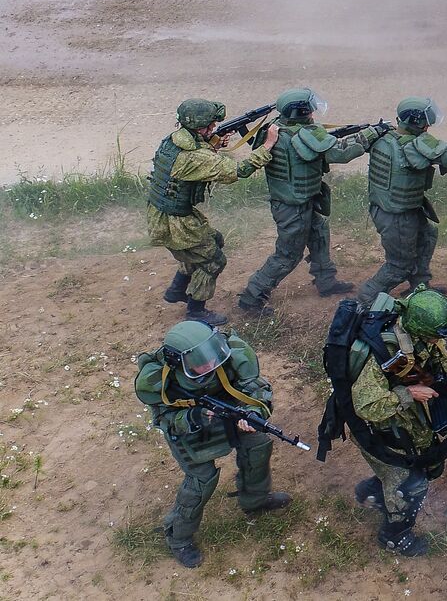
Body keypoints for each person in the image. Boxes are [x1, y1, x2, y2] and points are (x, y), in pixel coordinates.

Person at [134, 321, 292, 568]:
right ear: (179, 362)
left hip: (232, 415)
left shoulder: (229, 354)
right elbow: (164, 419)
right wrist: (192, 417)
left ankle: (255, 500)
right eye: (200, 362)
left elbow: (255, 387)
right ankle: (179, 538)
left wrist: (252, 411)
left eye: (211, 356)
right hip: (190, 430)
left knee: (258, 445)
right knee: (201, 480)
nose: (210, 364)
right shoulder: (160, 381)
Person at [343, 287, 447, 555]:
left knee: (428, 465)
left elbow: (437, 357)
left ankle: (372, 489)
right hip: (380, 427)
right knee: (410, 482)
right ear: (422, 331)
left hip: (407, 422)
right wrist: (409, 393)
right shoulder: (383, 350)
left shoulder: (419, 337)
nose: (440, 339)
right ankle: (394, 535)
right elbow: (366, 406)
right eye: (437, 335)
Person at [237, 88, 391, 316]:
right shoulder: (302, 135)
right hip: (293, 206)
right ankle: (252, 297)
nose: (312, 113)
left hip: (296, 201)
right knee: (287, 255)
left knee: (319, 235)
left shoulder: (275, 128)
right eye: (309, 109)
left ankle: (326, 282)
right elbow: (341, 152)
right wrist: (373, 133)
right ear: (300, 112)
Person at [355, 97, 447, 305]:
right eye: (425, 121)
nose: (428, 125)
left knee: (427, 236)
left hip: (393, 209)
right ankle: (367, 297)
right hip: (398, 216)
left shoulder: (383, 136)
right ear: (416, 121)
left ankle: (419, 287)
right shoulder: (414, 145)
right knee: (399, 264)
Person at [149, 99, 278, 326]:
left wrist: (213, 145)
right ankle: (196, 311)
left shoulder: (173, 141)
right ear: (199, 127)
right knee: (213, 261)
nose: (214, 129)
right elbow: (240, 170)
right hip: (176, 221)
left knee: (210, 242)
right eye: (210, 126)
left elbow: (195, 161)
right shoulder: (194, 157)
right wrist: (267, 145)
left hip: (166, 214)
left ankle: (177, 290)